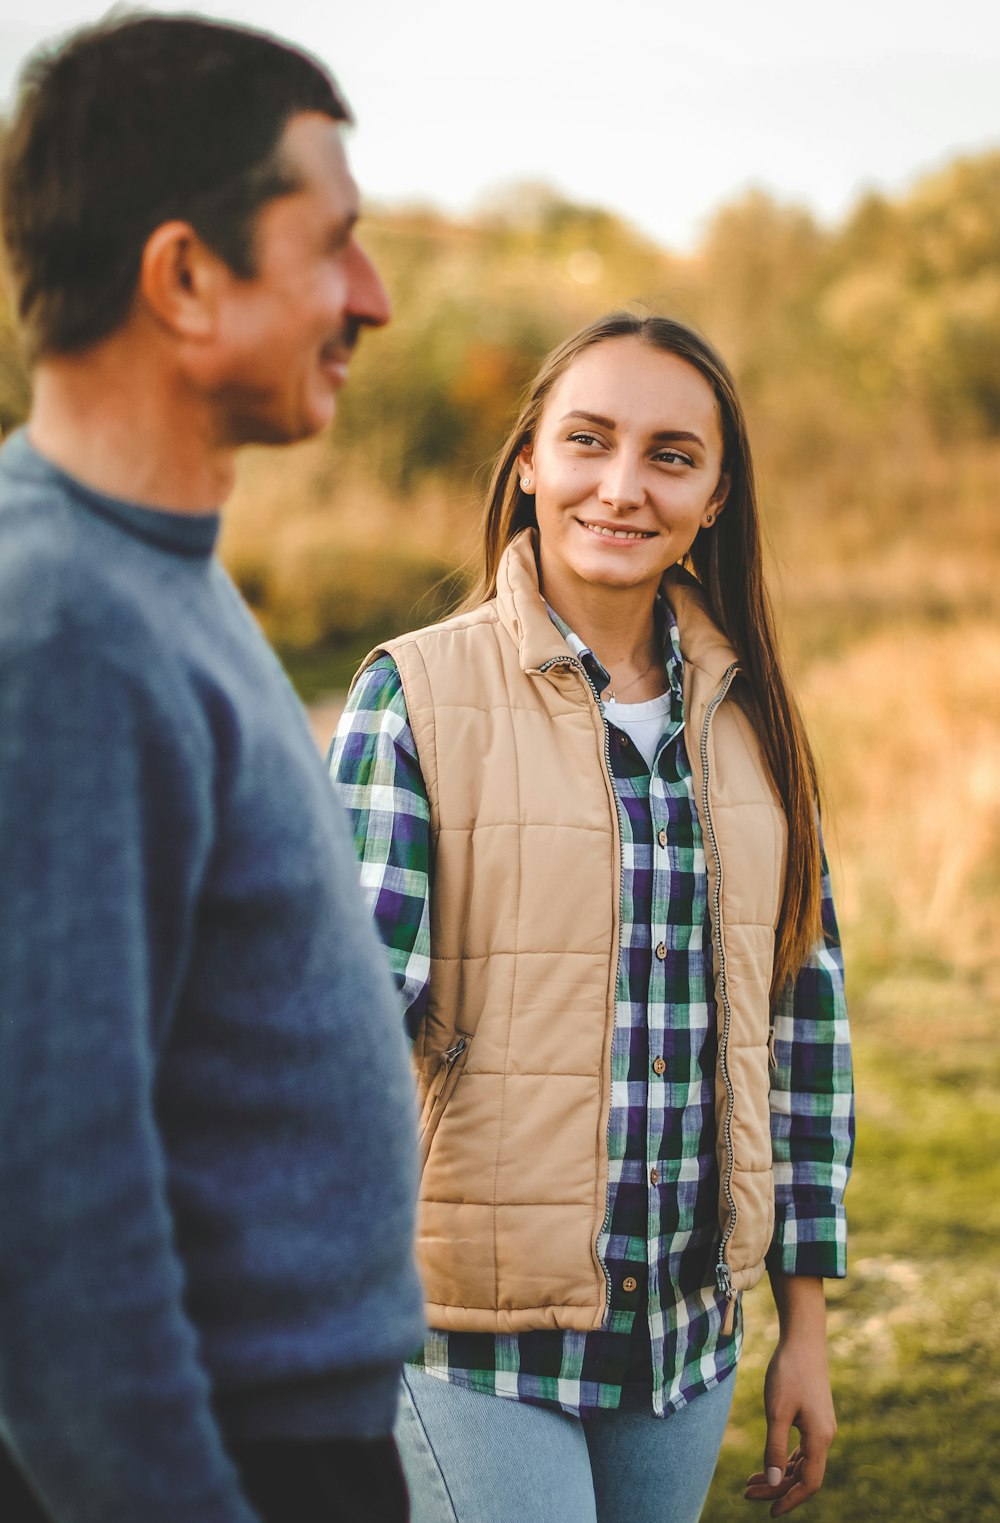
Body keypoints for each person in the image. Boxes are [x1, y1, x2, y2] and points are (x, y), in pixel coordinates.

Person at [0, 16, 424, 1523]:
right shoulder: (60, 624)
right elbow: (48, 1219)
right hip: (221, 1454)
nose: (371, 299)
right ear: (185, 277)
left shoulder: (156, 575)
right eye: (335, 245)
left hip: (295, 1432)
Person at [329, 312, 855, 1523]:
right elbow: (335, 1034)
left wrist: (804, 1328)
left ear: (716, 496)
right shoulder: (411, 693)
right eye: (587, 441)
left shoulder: (756, 724)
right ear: (528, 463)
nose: (622, 487)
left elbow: (803, 1042)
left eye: (671, 455)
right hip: (461, 1334)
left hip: (680, 1345)